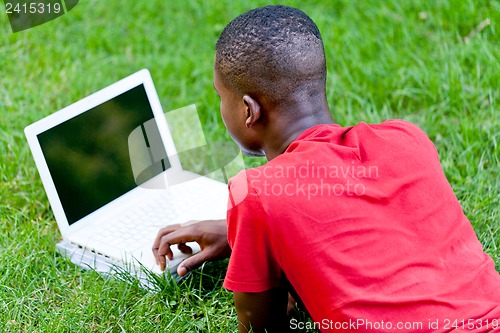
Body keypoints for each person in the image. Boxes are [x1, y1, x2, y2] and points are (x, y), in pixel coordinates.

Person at [152, 5, 500, 333]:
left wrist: (270, 264)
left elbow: (266, 325)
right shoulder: (407, 139)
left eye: (219, 96)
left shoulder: (258, 192)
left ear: (249, 110)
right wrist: (240, 235)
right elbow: (364, 221)